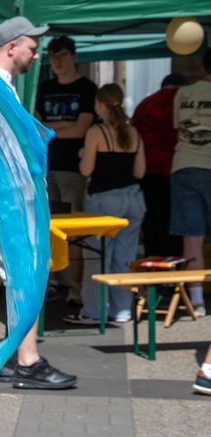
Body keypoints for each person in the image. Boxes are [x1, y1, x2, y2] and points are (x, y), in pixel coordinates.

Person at [0, 17, 76, 390]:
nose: (36, 53)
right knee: (23, 278)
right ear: (11, 47)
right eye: (31, 45)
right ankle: (28, 361)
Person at [64, 84, 146, 325]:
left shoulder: (96, 132)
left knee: (97, 257)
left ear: (99, 104)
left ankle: (94, 312)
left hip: (104, 200)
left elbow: (86, 169)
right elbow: (140, 172)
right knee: (125, 256)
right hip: (134, 198)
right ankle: (122, 310)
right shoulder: (134, 133)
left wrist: (82, 155)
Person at [35, 36, 98, 305]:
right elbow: (37, 126)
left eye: (61, 55)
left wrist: (52, 128)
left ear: (73, 56)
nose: (57, 61)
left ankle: (73, 285)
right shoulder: (44, 87)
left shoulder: (86, 87)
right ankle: (51, 282)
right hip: (45, 165)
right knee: (45, 226)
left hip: (73, 166)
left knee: (73, 231)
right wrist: (59, 129)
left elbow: (82, 128)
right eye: (52, 55)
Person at [171, 47, 211, 317]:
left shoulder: (183, 93)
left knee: (192, 237)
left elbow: (179, 128)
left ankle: (196, 301)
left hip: (184, 165)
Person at [131, 74, 186, 257]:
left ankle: (153, 270)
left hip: (146, 171)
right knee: (172, 226)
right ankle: (172, 276)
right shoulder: (182, 101)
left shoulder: (145, 104)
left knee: (151, 225)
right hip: (172, 170)